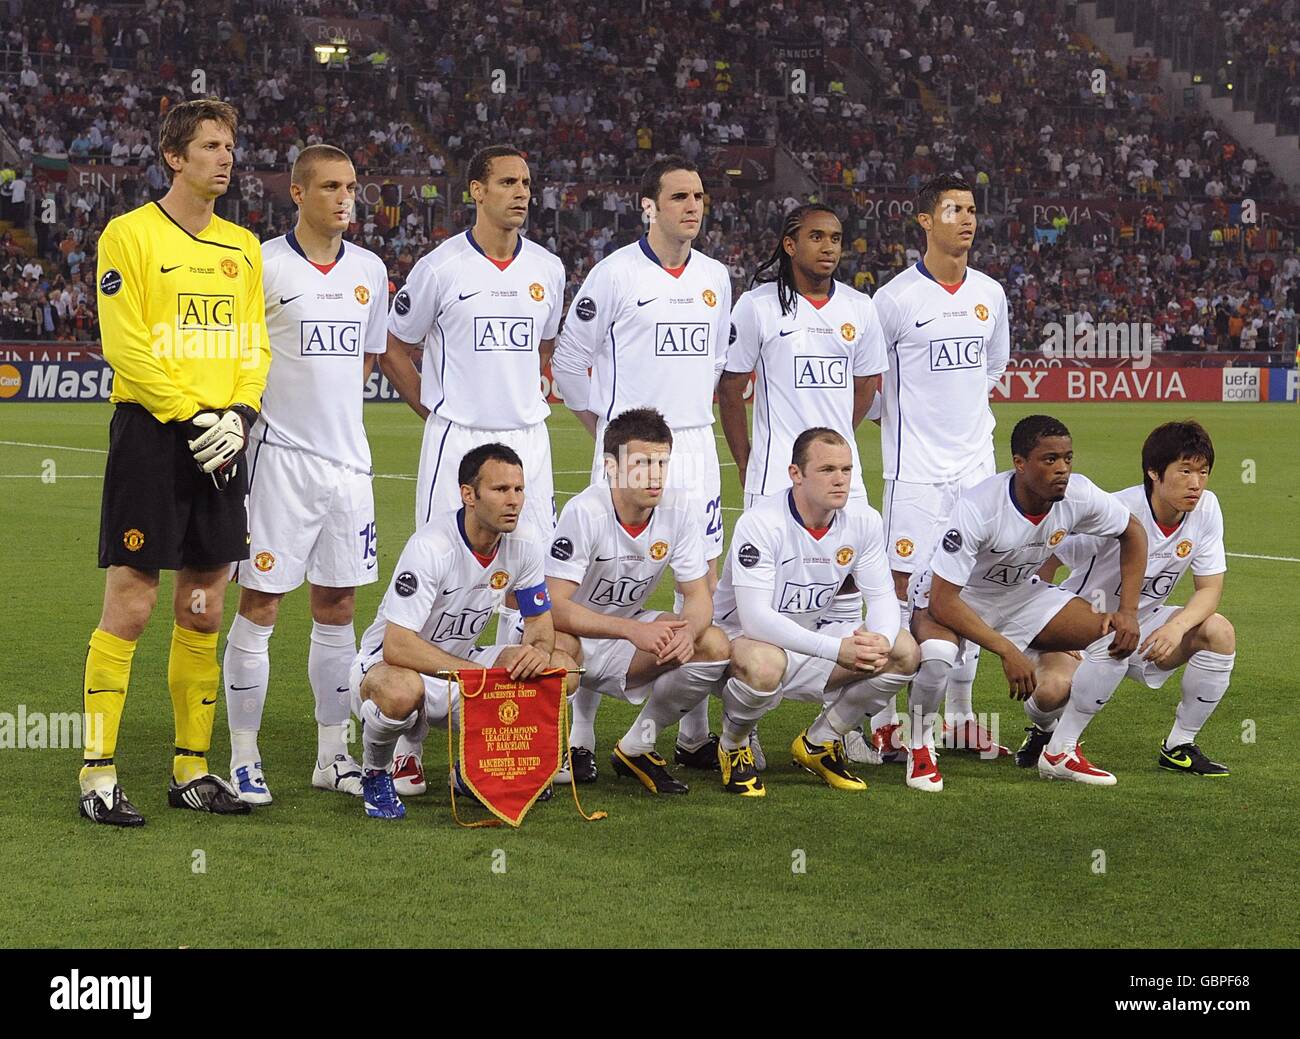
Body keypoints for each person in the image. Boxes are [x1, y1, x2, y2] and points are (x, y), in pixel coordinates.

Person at [79, 98, 270, 825]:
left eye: (230, 144)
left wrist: (241, 415)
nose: (226, 157)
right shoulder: (128, 235)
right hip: (156, 437)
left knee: (205, 603)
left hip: (225, 437)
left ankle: (191, 768)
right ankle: (97, 771)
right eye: (211, 145)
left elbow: (254, 344)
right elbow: (124, 345)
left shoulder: (242, 247)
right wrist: (193, 415)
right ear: (174, 156)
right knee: (132, 601)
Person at [221, 144, 407, 805]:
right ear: (297, 194)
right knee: (262, 604)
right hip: (279, 464)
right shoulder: (262, 265)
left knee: (337, 608)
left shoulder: (370, 270)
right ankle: (245, 755)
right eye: (330, 186)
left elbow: (365, 358)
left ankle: (333, 753)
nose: (344, 197)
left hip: (348, 468)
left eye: (351, 186)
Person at [381, 144, 566, 796]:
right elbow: (394, 347)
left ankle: (511, 732)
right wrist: (435, 409)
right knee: (442, 575)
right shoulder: (439, 268)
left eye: (527, 181)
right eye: (508, 182)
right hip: (459, 435)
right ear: (476, 191)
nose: (521, 193)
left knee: (527, 576)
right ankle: (406, 744)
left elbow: (544, 346)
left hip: (528, 437)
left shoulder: (548, 267)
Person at [551, 155, 732, 772]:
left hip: (696, 445)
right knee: (603, 576)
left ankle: (689, 733)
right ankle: (578, 737)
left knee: (699, 581)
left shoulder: (716, 277)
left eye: (699, 196)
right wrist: (606, 431)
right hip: (632, 448)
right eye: (679, 196)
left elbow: (712, 366)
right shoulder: (614, 274)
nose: (692, 206)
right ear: (648, 206)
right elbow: (569, 363)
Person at [718, 202, 887, 769]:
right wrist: (746, 460)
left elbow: (866, 386)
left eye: (836, 237)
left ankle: (834, 729)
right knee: (755, 603)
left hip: (840, 478)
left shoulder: (860, 310)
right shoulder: (758, 306)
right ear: (790, 244)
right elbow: (732, 388)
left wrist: (832, 453)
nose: (829, 247)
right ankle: (744, 716)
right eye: (816, 237)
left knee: (845, 594)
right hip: (774, 477)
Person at [907, 415, 1147, 791]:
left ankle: (1060, 751)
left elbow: (1132, 532)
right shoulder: (980, 506)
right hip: (956, 595)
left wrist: (1129, 613)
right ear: (1020, 463)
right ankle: (920, 746)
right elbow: (942, 600)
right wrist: (1007, 650)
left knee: (1112, 635)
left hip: (1019, 592)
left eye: (1067, 458)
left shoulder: (1079, 495)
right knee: (937, 654)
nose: (1062, 469)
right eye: (1049, 460)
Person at [861, 172, 1012, 763]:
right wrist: (909, 429)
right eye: (954, 209)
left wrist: (965, 423)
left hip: (977, 469)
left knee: (967, 587)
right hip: (916, 476)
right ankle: (884, 717)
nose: (967, 219)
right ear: (925, 220)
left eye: (972, 209)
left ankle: (959, 716)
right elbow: (870, 388)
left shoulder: (990, 294)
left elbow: (992, 366)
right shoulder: (894, 299)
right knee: (900, 589)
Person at [349, 444, 574, 819]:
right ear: (469, 495)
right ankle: (374, 773)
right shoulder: (431, 547)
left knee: (559, 671)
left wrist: (535, 650)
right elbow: (397, 646)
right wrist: (481, 677)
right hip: (387, 668)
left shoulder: (526, 543)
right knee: (402, 690)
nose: (514, 500)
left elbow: (539, 623)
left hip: (461, 667)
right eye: (501, 490)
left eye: (518, 490)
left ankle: (477, 771)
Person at [711, 428, 919, 797]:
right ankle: (733, 744)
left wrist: (880, 640)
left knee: (903, 651)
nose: (840, 480)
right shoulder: (761, 523)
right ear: (796, 474)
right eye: (826, 470)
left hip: (810, 639)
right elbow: (755, 619)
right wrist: (837, 650)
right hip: (741, 643)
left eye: (846, 469)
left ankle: (820, 742)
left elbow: (884, 596)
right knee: (765, 664)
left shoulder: (863, 521)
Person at [546, 408, 731, 793]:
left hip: (626, 635)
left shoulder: (678, 509)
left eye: (662, 462)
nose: (654, 474)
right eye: (642, 462)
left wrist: (689, 631)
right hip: (570, 634)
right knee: (560, 654)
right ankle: (563, 746)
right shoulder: (585, 511)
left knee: (711, 643)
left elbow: (698, 596)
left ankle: (638, 744)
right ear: (611, 467)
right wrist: (631, 630)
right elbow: (556, 606)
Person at [1037, 421, 1234, 777]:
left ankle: (1178, 745)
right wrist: (1045, 622)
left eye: (1203, 472)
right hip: (1079, 623)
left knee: (1218, 632)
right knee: (1052, 693)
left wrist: (1177, 627)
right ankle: (1042, 732)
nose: (1196, 483)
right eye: (1185, 471)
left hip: (1140, 624)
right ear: (1154, 472)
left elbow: (1209, 589)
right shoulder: (1114, 511)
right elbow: (1047, 555)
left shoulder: (1207, 509)